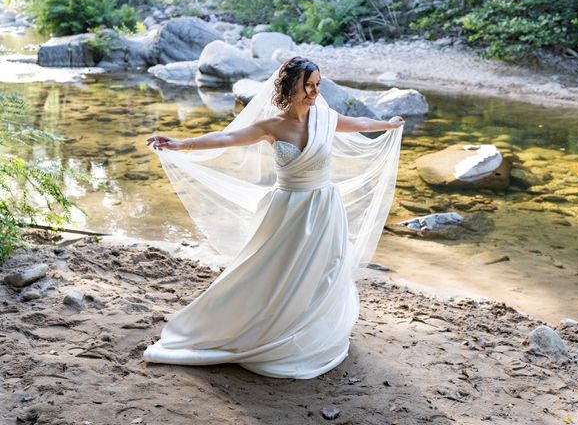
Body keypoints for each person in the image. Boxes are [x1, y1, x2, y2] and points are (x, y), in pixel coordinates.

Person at [143, 57, 404, 379]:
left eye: (317, 85)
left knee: (325, 269)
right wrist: (182, 144)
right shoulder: (272, 126)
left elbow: (361, 123)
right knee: (276, 271)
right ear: (290, 87)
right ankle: (266, 326)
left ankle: (310, 332)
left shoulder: (325, 117)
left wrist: (389, 125)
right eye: (307, 85)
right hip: (287, 211)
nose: (314, 92)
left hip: (323, 206)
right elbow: (226, 139)